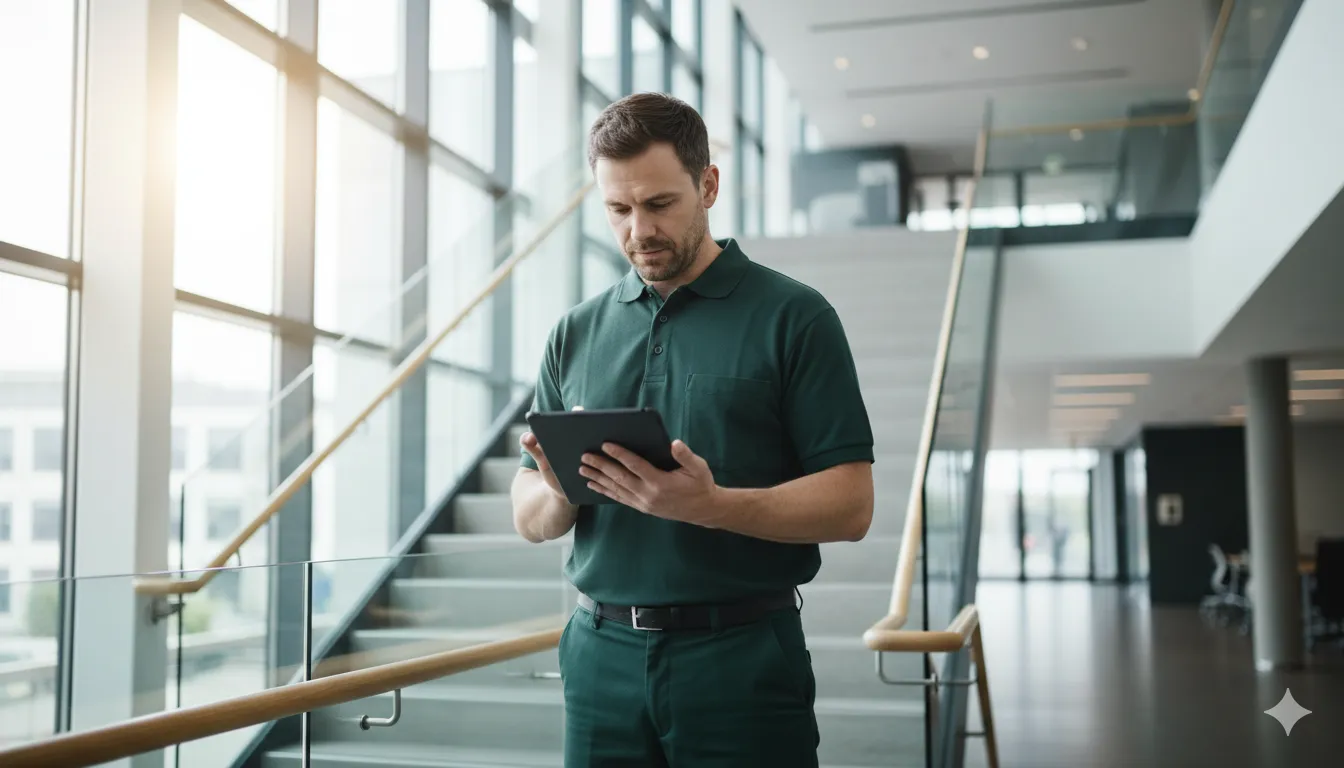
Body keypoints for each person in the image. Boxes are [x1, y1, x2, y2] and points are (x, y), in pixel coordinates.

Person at [510, 92, 875, 767]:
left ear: (708, 186)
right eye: (618, 210)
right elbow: (528, 510)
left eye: (659, 204)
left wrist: (712, 506)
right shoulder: (574, 332)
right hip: (599, 657)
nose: (639, 230)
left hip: (741, 658)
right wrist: (559, 492)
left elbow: (852, 505)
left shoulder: (796, 317)